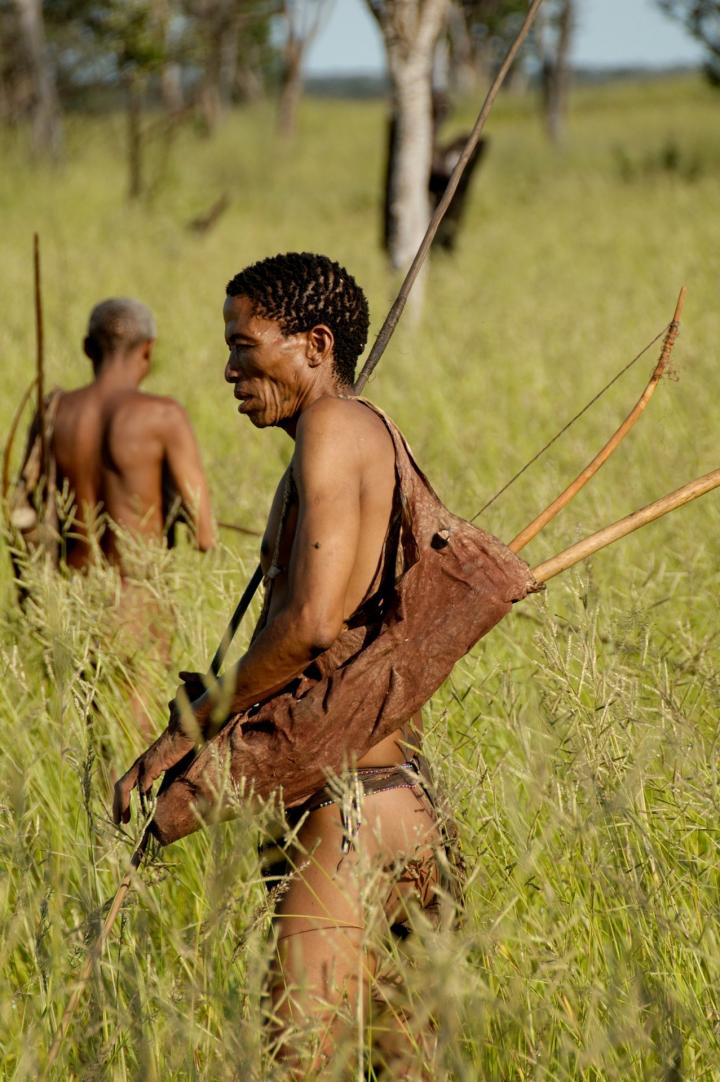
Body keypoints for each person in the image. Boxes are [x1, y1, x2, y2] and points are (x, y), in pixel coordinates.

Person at [113, 254, 535, 1072]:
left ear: (315, 344)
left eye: (246, 346)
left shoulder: (335, 429)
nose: (230, 369)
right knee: (399, 1064)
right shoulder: (347, 431)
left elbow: (310, 624)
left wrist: (189, 727)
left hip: (350, 816)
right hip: (402, 802)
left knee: (294, 1058)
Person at [12, 298, 215, 734]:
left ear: (88, 348)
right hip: (137, 601)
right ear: (148, 350)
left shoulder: (54, 410)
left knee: (79, 741)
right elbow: (205, 534)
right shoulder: (163, 416)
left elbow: (25, 508)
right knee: (130, 744)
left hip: (70, 598)